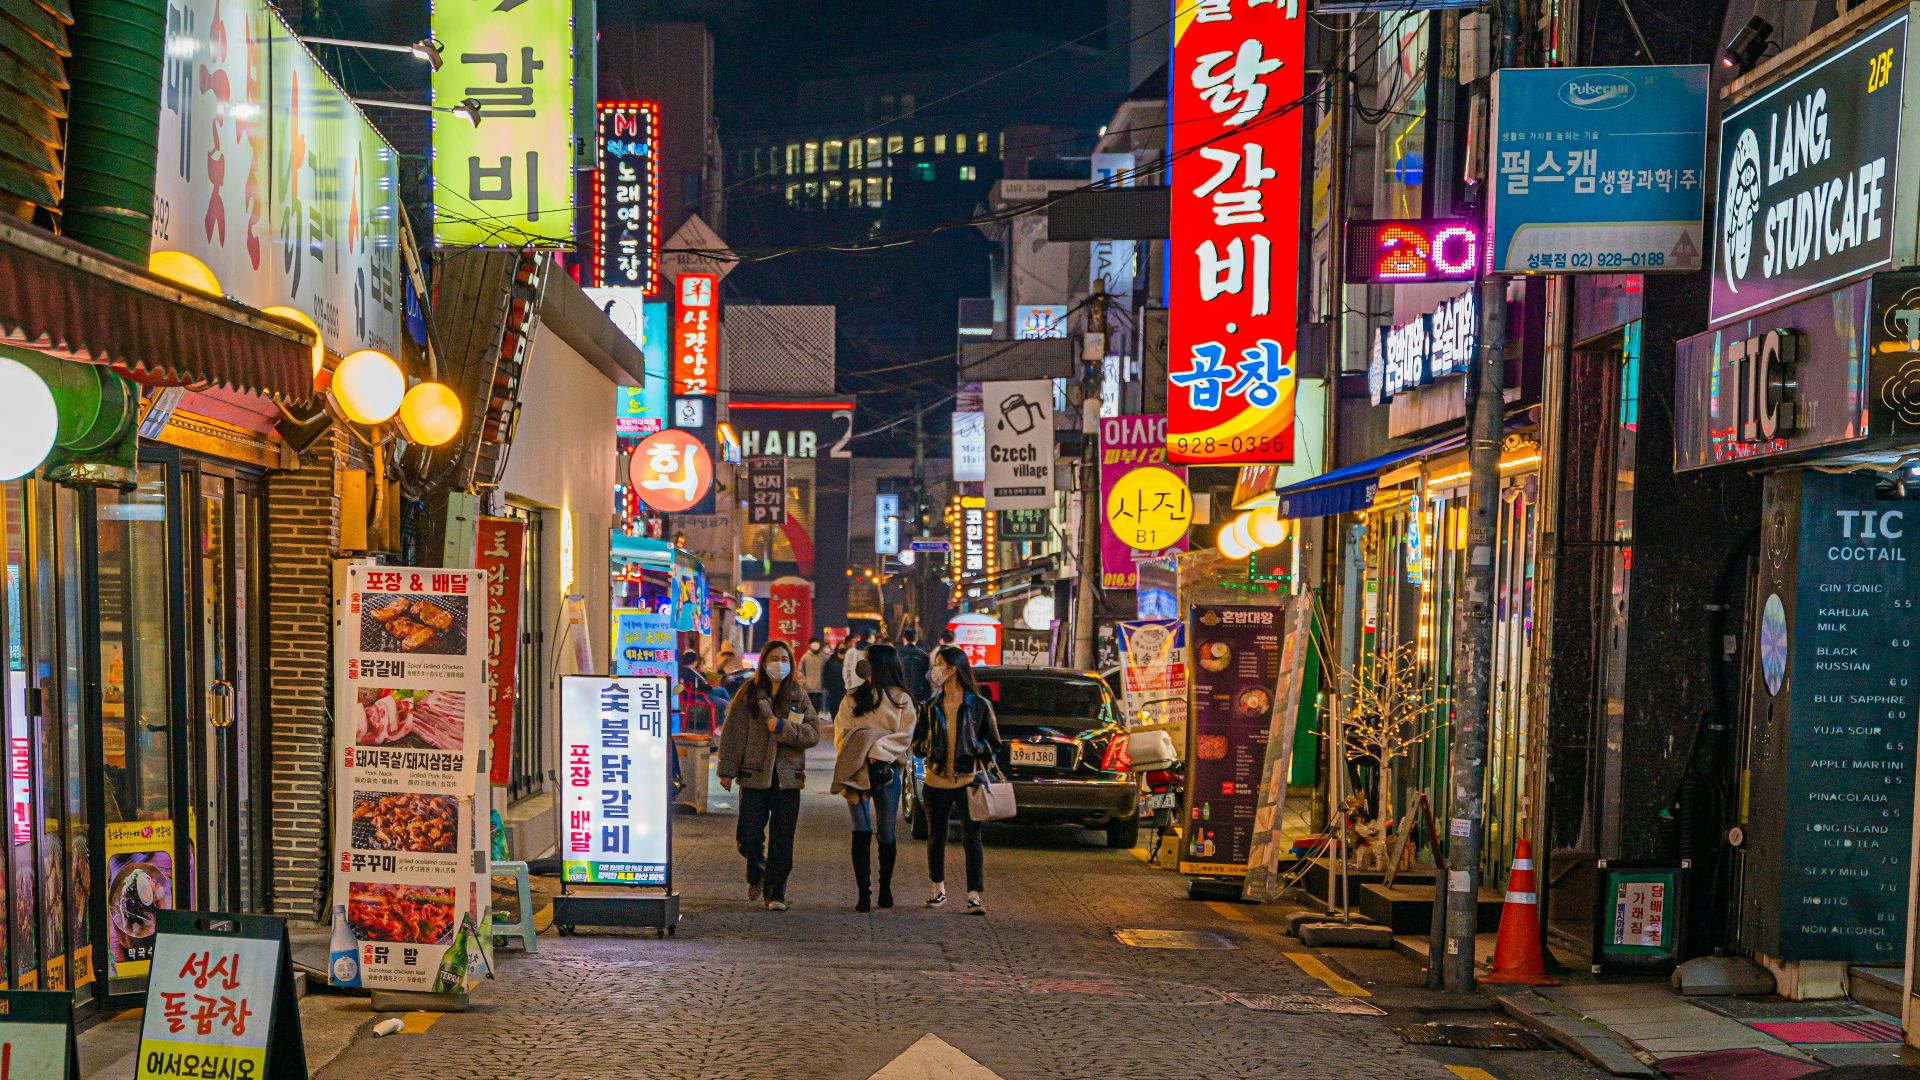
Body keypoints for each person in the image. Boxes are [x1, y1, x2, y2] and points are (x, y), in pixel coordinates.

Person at [716, 641, 820, 910]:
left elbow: (812, 734)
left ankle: (776, 893)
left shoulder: (798, 695)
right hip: (754, 776)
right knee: (748, 835)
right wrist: (727, 770)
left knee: (783, 839)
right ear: (763, 662)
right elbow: (732, 733)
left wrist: (782, 727)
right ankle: (756, 868)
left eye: (784, 658)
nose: (779, 663)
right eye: (773, 658)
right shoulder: (748, 694)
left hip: (788, 778)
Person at [911, 645, 1003, 915]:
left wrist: (977, 746)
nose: (934, 670)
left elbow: (994, 743)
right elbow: (916, 744)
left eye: (939, 664)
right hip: (935, 780)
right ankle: (937, 888)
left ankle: (974, 895)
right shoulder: (929, 707)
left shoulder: (979, 705)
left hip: (968, 780)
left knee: (972, 839)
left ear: (952, 670)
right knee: (935, 836)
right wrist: (927, 745)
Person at [831, 644, 915, 911]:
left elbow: (904, 737)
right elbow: (841, 733)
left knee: (887, 833)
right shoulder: (852, 698)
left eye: (867, 660)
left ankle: (885, 887)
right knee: (861, 831)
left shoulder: (902, 700)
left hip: (887, 773)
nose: (862, 663)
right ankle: (863, 893)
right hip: (856, 772)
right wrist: (863, 750)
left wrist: (875, 748)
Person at [898, 629, 932, 705]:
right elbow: (927, 672)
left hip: (901, 691)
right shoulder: (923, 653)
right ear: (916, 639)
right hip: (920, 692)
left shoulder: (897, 653)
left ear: (904, 638)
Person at [798, 637, 829, 710]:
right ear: (809, 645)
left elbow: (827, 670)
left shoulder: (823, 657)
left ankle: (815, 720)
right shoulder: (805, 657)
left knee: (817, 708)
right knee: (808, 708)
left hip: (819, 688)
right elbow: (800, 671)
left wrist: (826, 683)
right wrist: (803, 683)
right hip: (808, 688)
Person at [822, 640, 848, 717]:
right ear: (837, 649)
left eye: (843, 648)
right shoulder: (831, 660)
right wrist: (826, 686)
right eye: (840, 648)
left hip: (844, 689)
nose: (842, 649)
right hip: (833, 689)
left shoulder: (848, 660)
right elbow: (825, 674)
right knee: (834, 708)